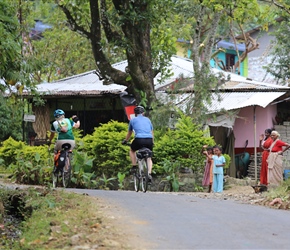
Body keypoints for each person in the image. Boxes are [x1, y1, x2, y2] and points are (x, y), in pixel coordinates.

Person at [122, 106, 154, 181]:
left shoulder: (133, 120)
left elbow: (130, 132)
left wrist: (126, 140)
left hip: (139, 139)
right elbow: (152, 132)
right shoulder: (148, 120)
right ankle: (149, 174)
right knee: (149, 157)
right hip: (149, 140)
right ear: (143, 112)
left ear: (135, 113)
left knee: (132, 150)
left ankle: (134, 166)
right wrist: (152, 142)